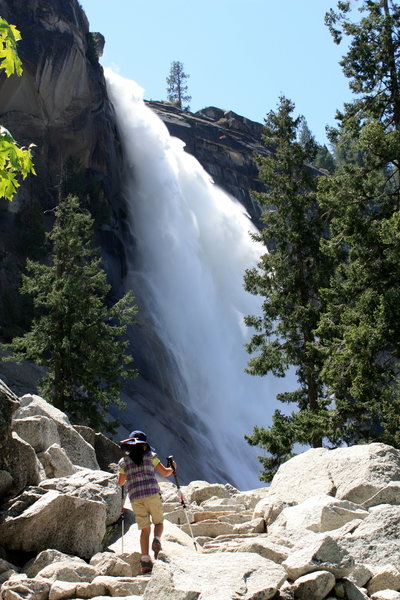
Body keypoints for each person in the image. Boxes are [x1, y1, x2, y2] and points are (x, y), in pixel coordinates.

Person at [117, 430, 176, 574]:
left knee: (144, 529)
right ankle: (156, 539)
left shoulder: (123, 462)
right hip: (152, 494)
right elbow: (165, 472)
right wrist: (173, 466)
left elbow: (121, 482)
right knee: (158, 522)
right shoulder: (151, 457)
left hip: (136, 498)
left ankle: (145, 562)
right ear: (144, 446)